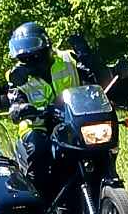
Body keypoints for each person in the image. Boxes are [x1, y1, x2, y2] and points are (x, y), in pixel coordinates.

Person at [5, 22, 98, 196]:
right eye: (22, 51)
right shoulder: (16, 76)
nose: (27, 54)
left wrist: (87, 57)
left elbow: (92, 80)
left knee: (97, 144)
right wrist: (20, 108)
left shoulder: (69, 59)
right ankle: (39, 200)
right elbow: (14, 102)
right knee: (39, 150)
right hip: (37, 125)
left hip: (71, 119)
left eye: (31, 47)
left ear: (45, 44)